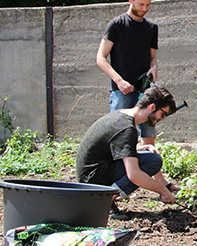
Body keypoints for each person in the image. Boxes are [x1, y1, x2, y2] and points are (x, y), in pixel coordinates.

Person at [76, 86, 178, 219]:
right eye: (163, 114)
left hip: (90, 175)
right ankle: (104, 201)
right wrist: (163, 190)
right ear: (152, 107)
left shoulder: (121, 116)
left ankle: (105, 197)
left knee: (151, 158)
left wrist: (143, 147)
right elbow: (134, 175)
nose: (162, 119)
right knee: (153, 162)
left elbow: (116, 148)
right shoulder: (127, 129)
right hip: (92, 181)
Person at [96, 0, 159, 147]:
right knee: (120, 137)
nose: (144, 8)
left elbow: (153, 58)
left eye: (148, 5)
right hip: (121, 92)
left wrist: (154, 68)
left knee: (149, 137)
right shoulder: (117, 25)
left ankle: (149, 171)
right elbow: (101, 58)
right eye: (141, 4)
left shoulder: (152, 28)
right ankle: (122, 172)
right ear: (130, 0)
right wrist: (119, 81)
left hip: (145, 92)